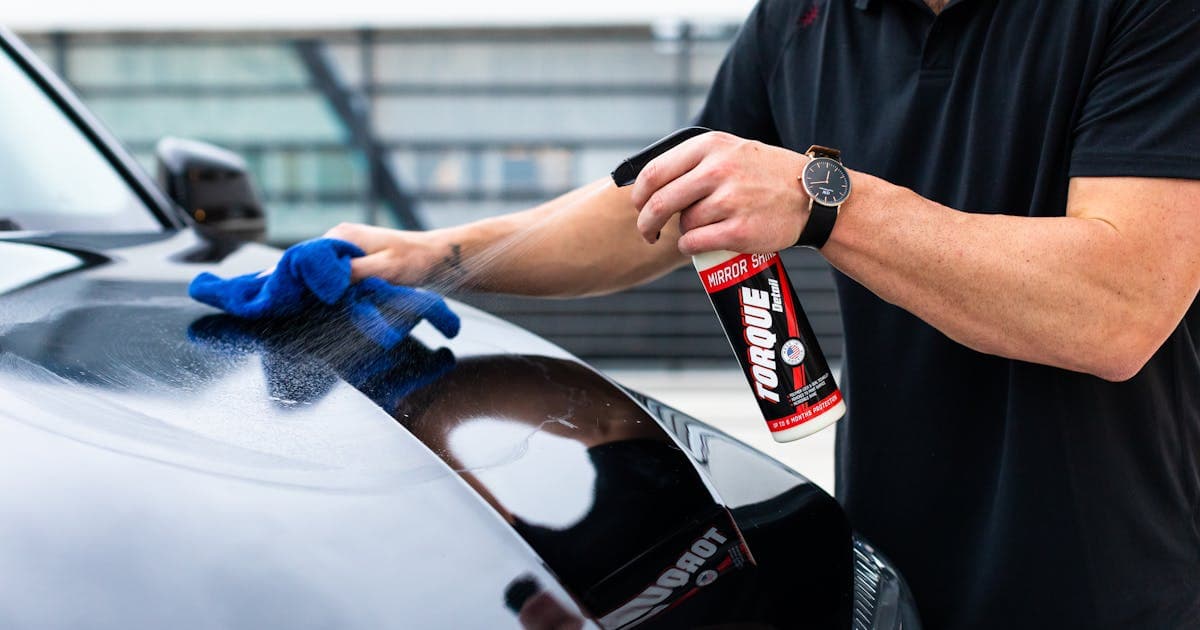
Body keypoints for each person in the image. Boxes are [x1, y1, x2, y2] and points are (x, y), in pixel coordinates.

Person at [326, 0, 1200, 627]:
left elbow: (1115, 310)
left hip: (1117, 582)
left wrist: (825, 202)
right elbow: (654, 207)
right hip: (889, 578)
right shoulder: (802, 17)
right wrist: (430, 258)